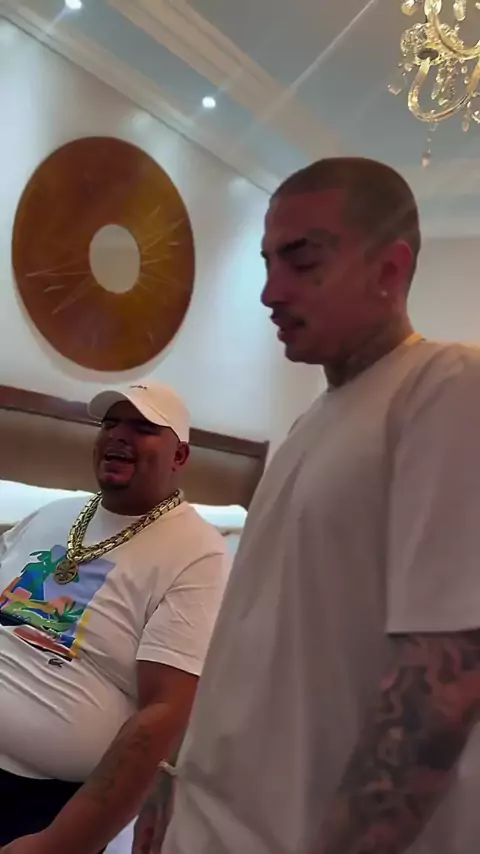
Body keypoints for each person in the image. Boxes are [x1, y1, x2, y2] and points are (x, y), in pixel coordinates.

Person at [141, 158, 480, 854]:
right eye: (268, 263)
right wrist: (172, 778)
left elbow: (442, 688)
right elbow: (255, 639)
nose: (271, 291)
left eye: (302, 261)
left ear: (389, 269)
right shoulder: (308, 426)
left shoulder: (447, 385)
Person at [0, 381, 230, 853]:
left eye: (143, 428)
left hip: (36, 799)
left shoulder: (198, 555)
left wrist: (60, 843)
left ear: (179, 456)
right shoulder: (53, 514)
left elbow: (163, 713)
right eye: (109, 423)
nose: (118, 435)